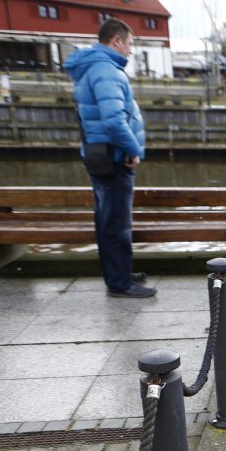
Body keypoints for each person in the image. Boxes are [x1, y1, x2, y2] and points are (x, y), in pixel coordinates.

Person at [63, 17, 152, 298]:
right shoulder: (107, 71)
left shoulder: (93, 68)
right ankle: (120, 283)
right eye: (129, 45)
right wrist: (134, 151)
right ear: (116, 41)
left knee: (107, 219)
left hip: (100, 155)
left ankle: (119, 274)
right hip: (115, 159)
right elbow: (114, 121)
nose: (129, 51)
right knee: (116, 223)